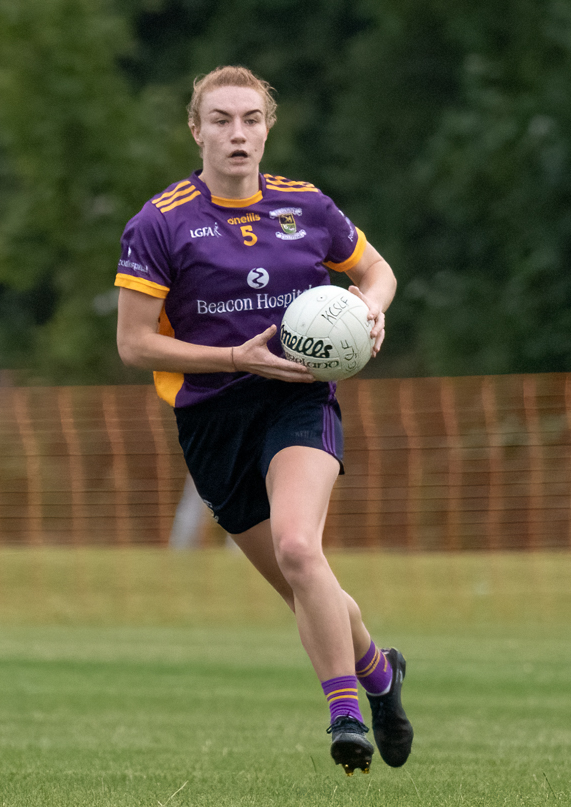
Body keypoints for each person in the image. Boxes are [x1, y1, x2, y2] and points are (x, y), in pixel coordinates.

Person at [115, 65, 413, 775]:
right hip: (212, 417)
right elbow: (133, 344)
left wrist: (370, 309)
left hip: (297, 399)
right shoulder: (160, 222)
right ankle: (379, 673)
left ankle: (345, 713)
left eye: (250, 118)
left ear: (267, 127)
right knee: (305, 588)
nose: (237, 133)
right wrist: (233, 357)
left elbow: (377, 272)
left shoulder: (306, 207)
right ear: (197, 130)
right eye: (220, 120)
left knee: (299, 548)